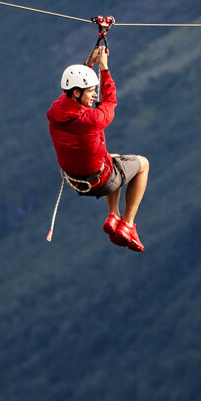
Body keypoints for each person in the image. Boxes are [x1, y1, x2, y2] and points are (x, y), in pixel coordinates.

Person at [47, 39, 149, 251]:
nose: (95, 95)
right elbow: (110, 102)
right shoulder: (89, 120)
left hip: (74, 180)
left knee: (113, 157)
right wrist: (104, 68)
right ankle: (128, 224)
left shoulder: (55, 110)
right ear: (77, 92)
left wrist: (88, 64)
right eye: (91, 91)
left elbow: (74, 87)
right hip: (98, 181)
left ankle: (113, 216)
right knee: (143, 164)